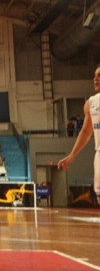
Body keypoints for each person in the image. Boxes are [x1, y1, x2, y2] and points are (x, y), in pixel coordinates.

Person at [58, 64, 100, 204]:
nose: (95, 79)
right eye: (94, 76)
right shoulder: (91, 103)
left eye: (99, 75)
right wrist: (72, 154)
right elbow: (86, 131)